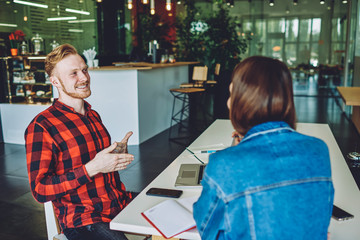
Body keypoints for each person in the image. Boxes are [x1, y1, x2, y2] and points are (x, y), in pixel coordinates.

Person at [193, 56, 334, 240]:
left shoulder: (223, 164)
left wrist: (235, 152)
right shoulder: (319, 150)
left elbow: (206, 229)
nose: (228, 102)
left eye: (231, 94)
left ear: (242, 100)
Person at [25, 44, 134, 240]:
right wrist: (91, 168)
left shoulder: (93, 115)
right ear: (55, 82)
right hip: (84, 220)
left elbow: (96, 161)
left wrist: (114, 156)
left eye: (84, 70)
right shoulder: (42, 126)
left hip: (117, 204)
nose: (84, 78)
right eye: (73, 73)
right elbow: (40, 190)